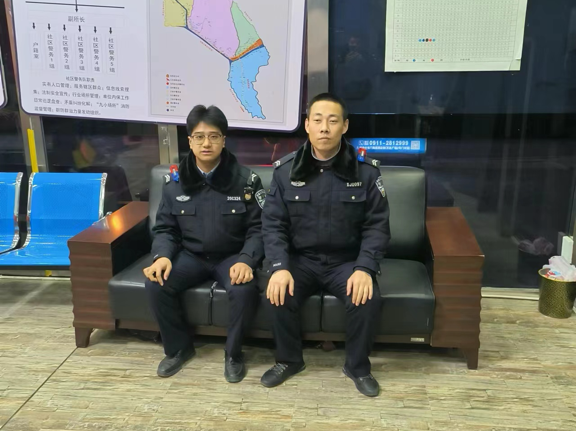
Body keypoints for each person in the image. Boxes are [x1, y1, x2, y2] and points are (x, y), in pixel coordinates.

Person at [260, 93, 391, 397]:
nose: (324, 128)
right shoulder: (285, 171)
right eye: (317, 120)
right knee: (276, 292)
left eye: (333, 121)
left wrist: (365, 268)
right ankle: (288, 360)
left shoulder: (366, 171)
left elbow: (377, 226)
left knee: (367, 298)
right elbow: (273, 224)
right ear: (307, 125)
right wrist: (279, 266)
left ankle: (357, 367)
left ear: (344, 126)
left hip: (346, 261)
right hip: (301, 260)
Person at [144, 105, 266, 382]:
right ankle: (178, 349)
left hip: (231, 256)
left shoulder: (246, 181)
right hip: (191, 256)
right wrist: (162, 256)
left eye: (213, 136)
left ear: (224, 140)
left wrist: (247, 260)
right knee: (156, 283)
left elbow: (259, 228)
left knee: (244, 289)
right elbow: (165, 228)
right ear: (190, 141)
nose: (206, 143)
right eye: (199, 137)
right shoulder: (174, 183)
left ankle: (233, 354)